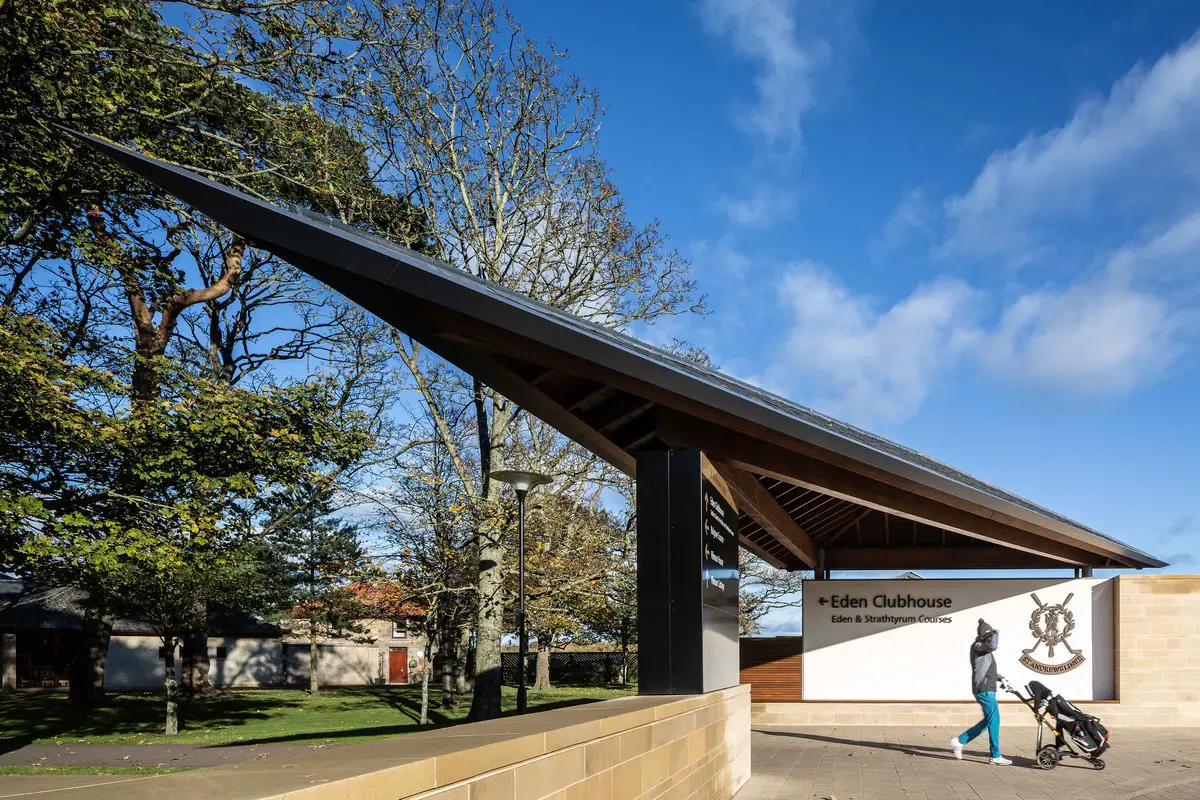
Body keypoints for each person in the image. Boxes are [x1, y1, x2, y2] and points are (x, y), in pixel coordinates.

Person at [950, 619, 1012, 765]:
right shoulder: (978, 646)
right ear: (985, 635)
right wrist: (995, 634)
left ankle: (960, 741)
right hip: (983, 690)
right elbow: (993, 646)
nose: (992, 637)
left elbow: (987, 670)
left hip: (987, 689)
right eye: (990, 634)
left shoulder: (984, 648)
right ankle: (996, 755)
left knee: (989, 721)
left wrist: (1001, 678)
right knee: (994, 720)